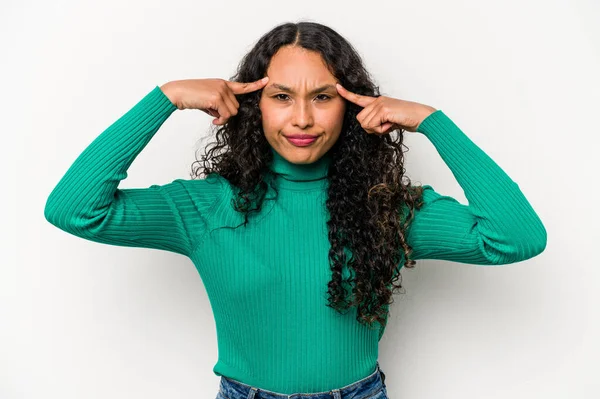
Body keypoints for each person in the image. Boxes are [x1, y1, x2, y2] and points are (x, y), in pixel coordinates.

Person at [44, 21, 547, 399]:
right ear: (253, 104)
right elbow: (74, 210)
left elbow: (515, 238)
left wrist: (434, 123)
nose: (302, 118)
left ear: (349, 106)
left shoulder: (387, 208)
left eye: (323, 97)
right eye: (282, 96)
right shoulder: (204, 206)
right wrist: (164, 99)